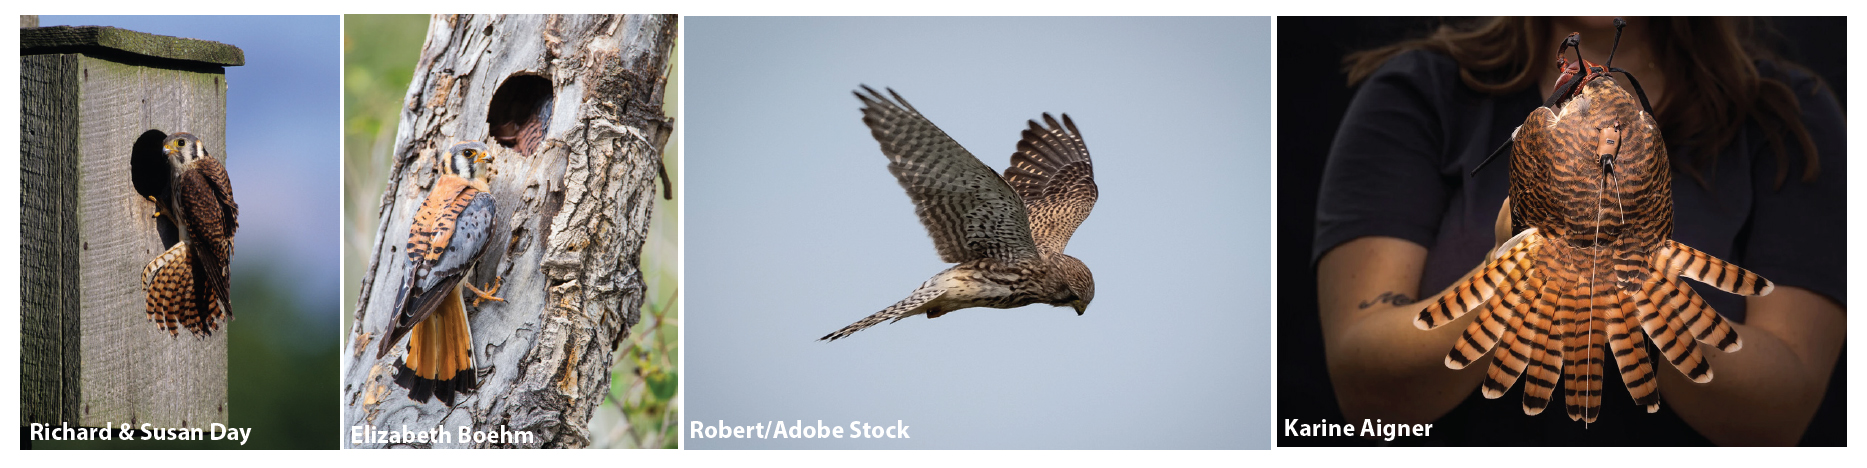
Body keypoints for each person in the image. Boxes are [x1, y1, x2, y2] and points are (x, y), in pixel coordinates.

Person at [1312, 17, 1844, 446]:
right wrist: (1514, 268)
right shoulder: (1420, 92)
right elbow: (1362, 388)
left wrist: (1634, 284)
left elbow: (1781, 418)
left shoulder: (1787, 117)